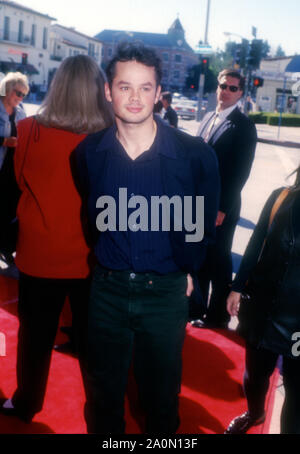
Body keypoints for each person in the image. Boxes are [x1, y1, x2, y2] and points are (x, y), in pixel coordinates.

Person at [75, 42, 220, 434]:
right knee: (103, 397)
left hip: (165, 292)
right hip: (107, 289)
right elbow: (92, 219)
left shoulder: (194, 156)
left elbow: (200, 224)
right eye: (125, 87)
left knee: (160, 398)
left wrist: (187, 269)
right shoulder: (88, 154)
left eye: (145, 87)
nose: (134, 97)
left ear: (159, 93)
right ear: (108, 91)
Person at [0, 55, 113, 423]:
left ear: (58, 85)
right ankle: (101, 415)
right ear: (98, 89)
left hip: (39, 254)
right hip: (93, 259)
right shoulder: (111, 136)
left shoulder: (29, 130)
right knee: (96, 346)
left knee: (34, 338)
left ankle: (26, 403)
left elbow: (16, 185)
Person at [225, 168, 300, 434]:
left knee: (296, 389)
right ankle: (255, 412)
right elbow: (257, 242)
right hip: (264, 309)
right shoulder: (280, 198)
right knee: (255, 375)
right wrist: (237, 286)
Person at [191, 69, 257, 328]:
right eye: (223, 86)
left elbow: (240, 173)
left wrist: (221, 209)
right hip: (197, 203)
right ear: (216, 87)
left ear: (240, 93)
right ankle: (196, 308)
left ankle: (217, 316)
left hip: (221, 206)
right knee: (198, 257)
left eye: (232, 88)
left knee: (218, 260)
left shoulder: (244, 126)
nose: (226, 91)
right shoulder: (208, 117)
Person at [0, 72, 28, 264]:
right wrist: (3, 141)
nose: (19, 98)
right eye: (17, 93)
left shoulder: (22, 112)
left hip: (13, 169)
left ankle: (7, 248)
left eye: (23, 95)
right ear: (7, 89)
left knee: (10, 209)